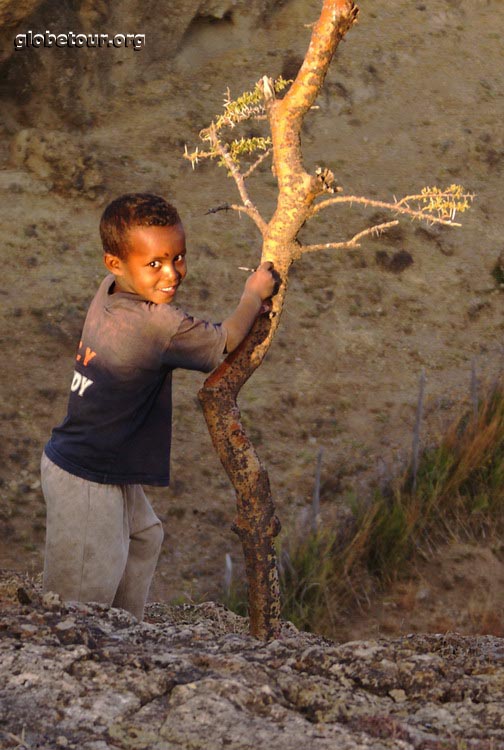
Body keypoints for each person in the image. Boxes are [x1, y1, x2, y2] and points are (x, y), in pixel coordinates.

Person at [41, 192, 277, 620]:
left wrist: (149, 268)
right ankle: (75, 651)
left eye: (179, 257)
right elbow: (225, 342)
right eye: (155, 264)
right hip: (86, 476)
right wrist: (253, 294)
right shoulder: (156, 325)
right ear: (115, 263)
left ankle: (124, 631)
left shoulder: (109, 290)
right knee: (79, 595)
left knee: (144, 538)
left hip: (96, 462)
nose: (172, 273)